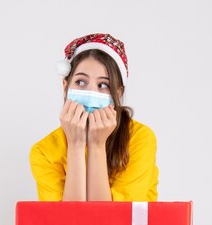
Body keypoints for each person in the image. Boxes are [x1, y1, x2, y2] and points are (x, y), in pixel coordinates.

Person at [29, 33, 159, 202]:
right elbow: (66, 223)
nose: (91, 93)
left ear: (117, 94)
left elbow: (113, 222)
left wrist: (97, 145)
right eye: (81, 82)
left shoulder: (139, 139)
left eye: (103, 85)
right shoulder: (44, 151)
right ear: (65, 86)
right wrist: (76, 145)